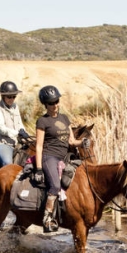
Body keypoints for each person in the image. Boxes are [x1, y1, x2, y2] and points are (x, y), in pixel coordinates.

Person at [33, 85, 91, 233]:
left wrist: (83, 142)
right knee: (55, 186)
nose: (55, 105)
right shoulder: (42, 121)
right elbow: (39, 146)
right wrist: (39, 169)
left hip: (65, 157)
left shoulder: (64, 118)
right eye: (51, 103)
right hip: (49, 157)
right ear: (45, 104)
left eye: (57, 101)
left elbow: (71, 141)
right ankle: (47, 219)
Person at [0, 81, 31, 168]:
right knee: (8, 164)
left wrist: (23, 131)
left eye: (14, 96)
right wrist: (17, 133)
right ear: (3, 96)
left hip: (16, 141)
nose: (12, 99)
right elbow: (1, 129)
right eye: (9, 97)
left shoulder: (15, 106)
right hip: (2, 143)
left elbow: (19, 122)